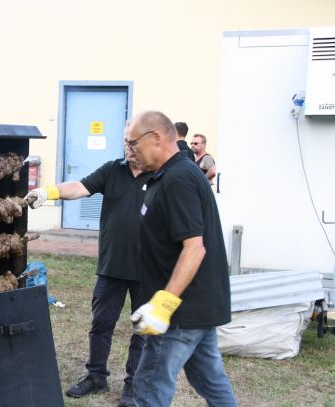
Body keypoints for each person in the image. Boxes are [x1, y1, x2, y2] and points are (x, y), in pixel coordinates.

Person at [24, 139, 152, 407]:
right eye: (126, 143)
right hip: (112, 266)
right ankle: (96, 376)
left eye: (134, 143)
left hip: (148, 268)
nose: (128, 148)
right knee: (101, 324)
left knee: (143, 329)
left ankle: (135, 384)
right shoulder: (113, 170)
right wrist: (48, 192)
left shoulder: (161, 174)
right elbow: (79, 187)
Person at [124, 111, 237, 407]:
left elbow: (194, 248)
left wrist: (164, 305)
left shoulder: (178, 179)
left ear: (155, 138)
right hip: (197, 305)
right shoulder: (167, 175)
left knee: (149, 385)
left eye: (133, 143)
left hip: (181, 310)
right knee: (209, 380)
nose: (130, 151)